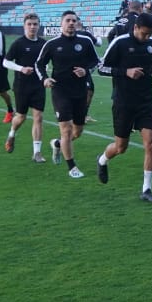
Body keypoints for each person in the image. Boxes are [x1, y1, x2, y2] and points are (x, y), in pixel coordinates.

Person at [96, 12, 152, 200]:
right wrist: (125, 72)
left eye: (150, 34)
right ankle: (102, 160)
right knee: (121, 148)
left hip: (145, 101)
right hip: (123, 102)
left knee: (151, 143)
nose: (147, 37)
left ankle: (147, 190)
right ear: (135, 28)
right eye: (144, 33)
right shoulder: (120, 42)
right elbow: (101, 68)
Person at [36, 9, 100, 179]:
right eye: (68, 20)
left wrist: (85, 71)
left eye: (74, 20)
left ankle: (57, 144)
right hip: (60, 91)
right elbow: (39, 64)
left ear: (77, 23)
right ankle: (72, 167)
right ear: (61, 24)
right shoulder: (52, 44)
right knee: (66, 130)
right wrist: (44, 79)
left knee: (77, 132)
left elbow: (96, 62)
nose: (71, 23)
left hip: (80, 91)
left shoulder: (85, 42)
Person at [3, 12, 48, 162]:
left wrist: (45, 73)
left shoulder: (43, 44)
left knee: (38, 117)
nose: (32, 27)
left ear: (39, 26)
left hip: (38, 85)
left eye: (35, 24)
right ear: (24, 26)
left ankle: (37, 153)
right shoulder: (18, 43)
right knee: (21, 117)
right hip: (22, 86)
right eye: (29, 24)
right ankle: (12, 133)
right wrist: (21, 68)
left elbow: (46, 62)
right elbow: (6, 62)